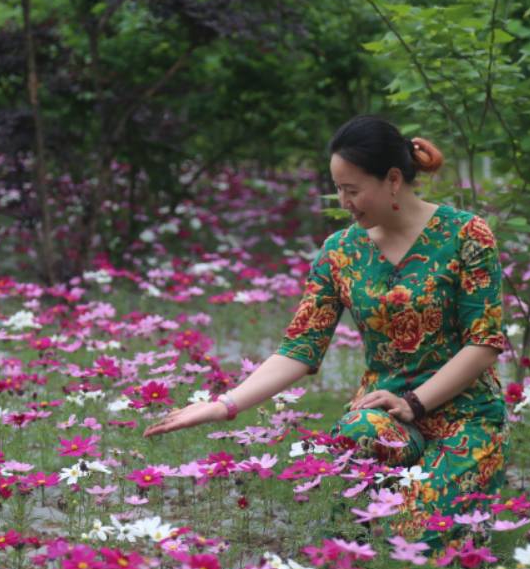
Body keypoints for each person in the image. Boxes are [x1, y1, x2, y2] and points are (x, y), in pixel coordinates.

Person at [145, 114, 509, 541]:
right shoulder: (339, 252)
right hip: (384, 419)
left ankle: (438, 506)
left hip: (465, 416)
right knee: (356, 521)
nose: (344, 203)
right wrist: (224, 405)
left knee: (418, 541)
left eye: (352, 190)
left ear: (393, 179)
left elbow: (483, 342)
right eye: (338, 189)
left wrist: (415, 401)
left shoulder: (466, 234)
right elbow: (300, 346)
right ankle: (375, 513)